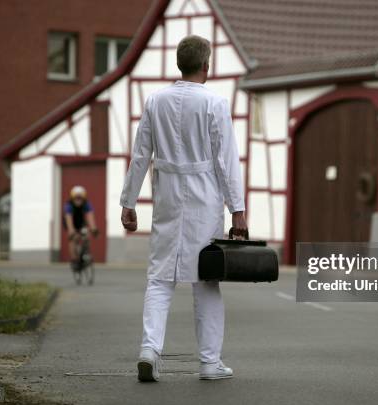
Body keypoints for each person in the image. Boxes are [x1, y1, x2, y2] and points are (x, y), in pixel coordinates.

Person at [119, 35, 247, 382]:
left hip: (167, 197)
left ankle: (149, 350)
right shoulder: (215, 103)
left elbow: (141, 155)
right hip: (204, 198)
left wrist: (128, 202)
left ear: (179, 63)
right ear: (207, 65)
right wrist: (238, 208)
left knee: (160, 278)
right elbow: (226, 161)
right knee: (205, 280)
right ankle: (209, 363)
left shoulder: (155, 101)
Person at [64, 185, 98, 271]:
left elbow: (90, 217)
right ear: (72, 198)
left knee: (86, 236)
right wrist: (71, 231)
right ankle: (74, 260)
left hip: (81, 222)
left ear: (83, 198)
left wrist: (93, 228)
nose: (78, 200)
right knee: (73, 238)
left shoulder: (86, 204)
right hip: (70, 222)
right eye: (76, 198)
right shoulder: (68, 206)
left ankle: (85, 254)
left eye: (80, 198)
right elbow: (68, 219)